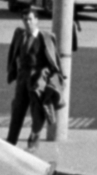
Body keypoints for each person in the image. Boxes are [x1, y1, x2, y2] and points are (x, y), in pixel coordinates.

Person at [6, 9, 63, 149]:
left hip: (37, 81)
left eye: (30, 19)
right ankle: (10, 143)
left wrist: (50, 78)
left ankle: (33, 143)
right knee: (17, 110)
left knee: (37, 113)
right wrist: (13, 71)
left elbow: (54, 61)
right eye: (25, 19)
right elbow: (13, 54)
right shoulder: (20, 35)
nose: (28, 22)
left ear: (37, 20)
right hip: (22, 80)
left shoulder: (45, 38)